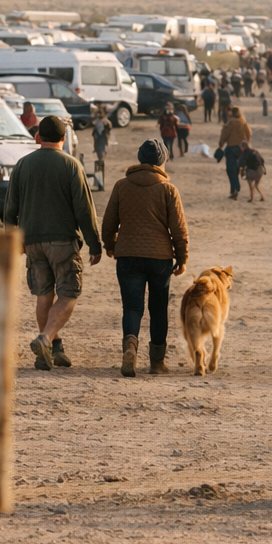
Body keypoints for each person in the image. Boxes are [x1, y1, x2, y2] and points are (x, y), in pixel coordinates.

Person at [2, 115, 102, 371]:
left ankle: (52, 350)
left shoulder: (23, 165)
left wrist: (14, 240)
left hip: (32, 242)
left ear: (38, 137)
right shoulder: (71, 165)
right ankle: (46, 338)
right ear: (64, 139)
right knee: (69, 292)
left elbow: (9, 210)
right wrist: (94, 244)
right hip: (62, 241)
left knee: (44, 294)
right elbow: (84, 210)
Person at [101, 138, 188, 377]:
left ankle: (130, 346)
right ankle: (157, 362)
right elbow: (179, 229)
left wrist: (110, 246)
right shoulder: (168, 189)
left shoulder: (121, 186)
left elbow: (108, 222)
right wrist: (182, 258)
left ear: (140, 159)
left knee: (132, 307)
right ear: (162, 162)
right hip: (160, 258)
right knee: (158, 308)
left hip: (128, 255)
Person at [218, 105, 251, 200]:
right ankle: (235, 188)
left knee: (230, 170)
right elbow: (248, 134)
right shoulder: (243, 122)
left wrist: (221, 144)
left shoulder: (231, 122)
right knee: (236, 169)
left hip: (231, 149)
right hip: (241, 149)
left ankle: (235, 188)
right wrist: (245, 143)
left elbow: (224, 134)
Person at [90, 107, 111, 174]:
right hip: (98, 138)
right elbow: (94, 130)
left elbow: (109, 127)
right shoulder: (96, 121)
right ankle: (100, 161)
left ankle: (101, 161)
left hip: (103, 137)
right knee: (98, 150)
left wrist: (107, 123)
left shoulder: (105, 121)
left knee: (102, 150)